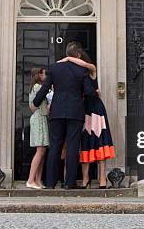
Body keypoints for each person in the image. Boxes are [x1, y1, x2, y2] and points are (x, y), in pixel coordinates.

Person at [31, 41, 97, 189]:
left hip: (57, 111)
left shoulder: (55, 68)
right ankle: (69, 183)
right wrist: (94, 92)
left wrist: (36, 102)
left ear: (67, 54)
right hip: (75, 112)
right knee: (73, 147)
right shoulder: (82, 70)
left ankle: (50, 182)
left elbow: (45, 88)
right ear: (78, 55)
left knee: (55, 147)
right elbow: (88, 92)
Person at [58, 51, 115, 188]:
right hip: (83, 110)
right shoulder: (77, 75)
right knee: (85, 143)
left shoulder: (91, 70)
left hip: (96, 109)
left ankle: (102, 179)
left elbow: (86, 65)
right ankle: (85, 178)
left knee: (100, 142)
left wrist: (67, 58)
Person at [26, 67, 49, 189]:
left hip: (41, 118)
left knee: (42, 151)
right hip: (39, 118)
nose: (46, 76)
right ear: (39, 75)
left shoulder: (35, 87)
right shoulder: (38, 88)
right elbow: (33, 107)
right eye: (44, 74)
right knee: (40, 151)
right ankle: (30, 180)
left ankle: (38, 180)